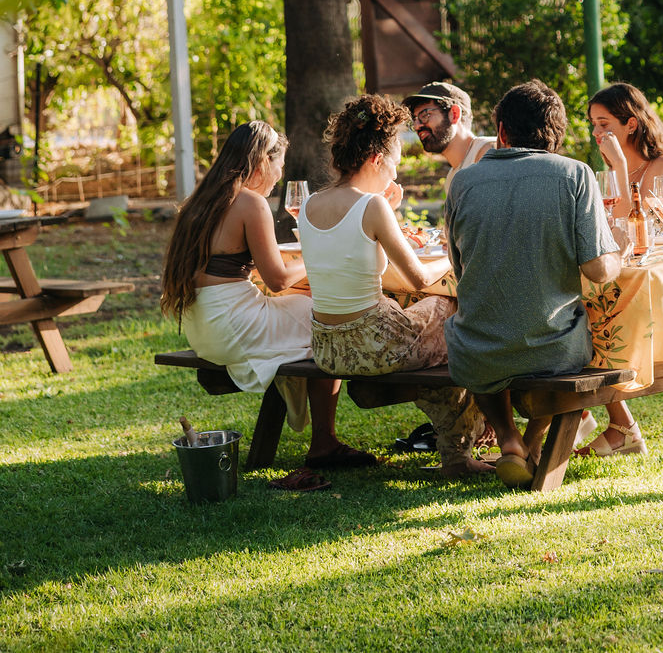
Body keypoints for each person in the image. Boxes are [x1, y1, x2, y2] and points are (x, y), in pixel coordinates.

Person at [297, 92, 491, 478]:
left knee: (439, 325)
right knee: (454, 312)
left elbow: (351, 248)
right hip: (375, 346)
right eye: (395, 164)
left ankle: (470, 433)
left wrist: (388, 208)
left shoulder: (309, 204)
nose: (396, 175)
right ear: (375, 159)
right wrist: (455, 256)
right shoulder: (372, 207)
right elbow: (419, 278)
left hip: (328, 349)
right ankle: (465, 447)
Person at [161, 120, 374, 470]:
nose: (280, 175)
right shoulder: (250, 203)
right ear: (262, 162)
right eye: (280, 165)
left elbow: (232, 268)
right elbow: (277, 280)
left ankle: (322, 438)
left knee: (307, 310)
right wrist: (318, 255)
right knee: (326, 320)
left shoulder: (202, 199)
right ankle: (324, 442)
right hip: (234, 326)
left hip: (203, 329)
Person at [444, 79, 622, 488]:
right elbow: (598, 270)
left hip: (477, 350)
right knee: (586, 335)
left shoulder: (463, 182)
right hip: (555, 347)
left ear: (501, 131)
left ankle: (509, 439)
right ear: (556, 135)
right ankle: (534, 438)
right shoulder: (574, 174)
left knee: (477, 337)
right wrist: (619, 252)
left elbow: (458, 267)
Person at [576, 81, 663, 459]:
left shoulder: (661, 167)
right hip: (619, 271)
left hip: (653, 280)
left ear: (631, 124)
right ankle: (591, 417)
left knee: (591, 318)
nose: (597, 133)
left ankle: (608, 423)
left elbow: (639, 227)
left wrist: (621, 167)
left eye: (604, 124)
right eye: (593, 124)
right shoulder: (609, 170)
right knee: (573, 314)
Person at [404, 81, 494, 192]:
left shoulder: (488, 151)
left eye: (425, 115)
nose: (417, 126)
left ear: (454, 114)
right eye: (414, 120)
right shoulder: (451, 179)